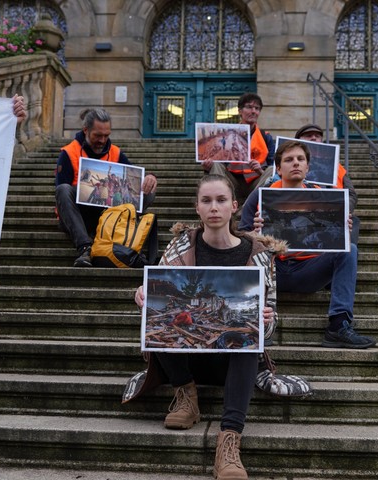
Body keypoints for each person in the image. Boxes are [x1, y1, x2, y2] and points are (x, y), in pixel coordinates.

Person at [123, 174, 311, 480]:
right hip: (187, 359)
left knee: (245, 338)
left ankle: (229, 440)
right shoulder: (181, 245)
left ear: (234, 206)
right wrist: (144, 295)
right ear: (197, 207)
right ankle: (186, 394)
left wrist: (266, 321)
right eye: (206, 201)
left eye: (221, 200)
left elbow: (271, 323)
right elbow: (161, 295)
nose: (214, 207)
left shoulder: (258, 253)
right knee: (160, 318)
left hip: (231, 361)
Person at [240, 140, 377, 349]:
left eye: (300, 159)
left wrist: (342, 229)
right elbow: (238, 238)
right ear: (278, 168)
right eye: (288, 160)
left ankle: (338, 326)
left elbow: (332, 237)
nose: (295, 163)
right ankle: (255, 324)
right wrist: (252, 232)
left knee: (350, 249)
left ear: (307, 167)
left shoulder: (324, 196)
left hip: (308, 270)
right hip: (270, 271)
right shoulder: (260, 195)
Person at [55, 108, 157, 267]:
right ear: (86, 130)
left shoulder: (116, 152)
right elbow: (61, 198)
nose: (102, 140)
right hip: (80, 216)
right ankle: (85, 247)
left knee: (148, 192)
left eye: (106, 135)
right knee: (63, 189)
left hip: (109, 216)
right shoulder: (68, 153)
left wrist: (149, 178)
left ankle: (125, 233)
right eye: (98, 135)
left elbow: (134, 178)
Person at [239, 123, 360, 243]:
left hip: (323, 215)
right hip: (275, 252)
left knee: (350, 236)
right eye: (309, 135)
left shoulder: (337, 168)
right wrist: (255, 233)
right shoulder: (263, 191)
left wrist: (341, 212)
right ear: (279, 169)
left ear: (307, 167)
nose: (313, 138)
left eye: (317, 136)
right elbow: (244, 230)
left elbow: (351, 194)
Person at [200, 92, 275, 205]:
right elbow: (220, 165)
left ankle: (246, 209)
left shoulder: (266, 137)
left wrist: (260, 170)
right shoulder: (226, 134)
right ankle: (220, 205)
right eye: (249, 107)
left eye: (257, 108)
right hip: (232, 183)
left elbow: (273, 167)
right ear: (239, 111)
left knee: (271, 170)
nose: (253, 111)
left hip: (256, 182)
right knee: (216, 164)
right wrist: (208, 168)